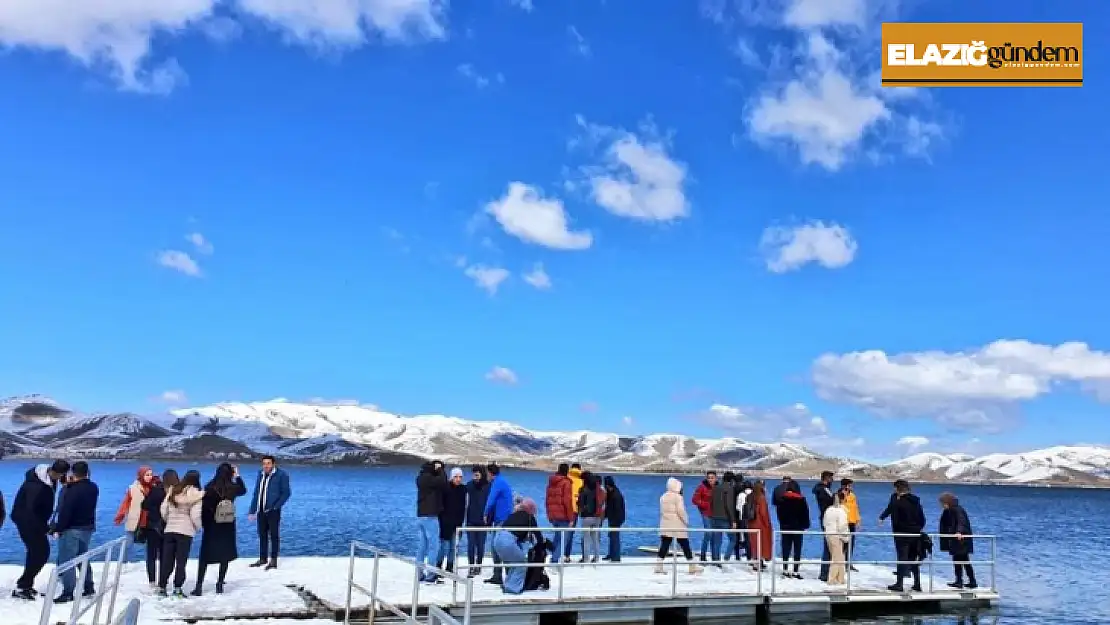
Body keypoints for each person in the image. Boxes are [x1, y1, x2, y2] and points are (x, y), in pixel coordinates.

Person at [10, 460, 69, 600]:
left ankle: (25, 585)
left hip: (35, 520)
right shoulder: (35, 486)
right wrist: (46, 528)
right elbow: (30, 511)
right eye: (61, 476)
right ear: (55, 472)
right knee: (40, 552)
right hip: (26, 520)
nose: (61, 479)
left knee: (38, 552)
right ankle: (22, 586)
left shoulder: (49, 478)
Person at [194, 463, 248, 596]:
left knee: (205, 556)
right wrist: (238, 476)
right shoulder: (233, 488)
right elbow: (243, 490)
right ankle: (219, 584)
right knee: (224, 554)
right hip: (227, 524)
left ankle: (199, 586)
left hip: (212, 525)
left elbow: (204, 509)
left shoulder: (209, 487)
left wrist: (203, 524)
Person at [53, 461, 99, 603]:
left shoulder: (72, 490)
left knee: (67, 561)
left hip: (72, 529)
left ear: (73, 473)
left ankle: (68, 592)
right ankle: (88, 586)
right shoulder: (93, 488)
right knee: (82, 558)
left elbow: (66, 511)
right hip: (87, 528)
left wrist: (58, 528)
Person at [158, 469, 204, 598]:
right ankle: (177, 589)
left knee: (167, 560)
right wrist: (197, 527)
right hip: (185, 532)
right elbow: (195, 515)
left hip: (170, 530)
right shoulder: (196, 495)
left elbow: (163, 509)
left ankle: (162, 587)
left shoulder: (173, 491)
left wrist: (169, 521)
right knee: (181, 562)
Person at [247, 455, 291, 571]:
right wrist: (252, 511)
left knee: (274, 535)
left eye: (268, 463)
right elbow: (256, 493)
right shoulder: (260, 474)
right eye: (264, 463)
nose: (266, 466)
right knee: (262, 534)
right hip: (261, 510)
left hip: (273, 511)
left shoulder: (281, 475)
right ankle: (262, 558)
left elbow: (286, 493)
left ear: (273, 464)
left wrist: (276, 507)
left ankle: (273, 560)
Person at [492, 497, 544, 595]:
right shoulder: (529, 517)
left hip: (497, 539)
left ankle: (508, 584)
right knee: (521, 563)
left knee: (513, 563)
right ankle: (513, 588)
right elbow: (538, 535)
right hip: (508, 541)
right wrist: (541, 546)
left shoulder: (513, 515)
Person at [654, 477, 702, 575]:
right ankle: (692, 566)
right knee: (685, 545)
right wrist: (686, 520)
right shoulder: (678, 497)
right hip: (677, 524)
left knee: (665, 544)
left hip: (665, 524)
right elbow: (681, 511)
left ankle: (659, 565)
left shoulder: (663, 496)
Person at [887, 480, 926, 592]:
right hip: (915, 533)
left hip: (902, 534)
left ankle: (899, 584)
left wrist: (898, 529)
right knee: (913, 558)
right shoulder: (916, 501)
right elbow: (922, 519)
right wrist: (918, 529)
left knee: (902, 558)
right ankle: (917, 584)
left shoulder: (899, 503)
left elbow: (897, 519)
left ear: (898, 489)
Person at [113, 466, 155, 558]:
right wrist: (120, 516)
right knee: (128, 543)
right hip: (135, 519)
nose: (150, 477)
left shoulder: (155, 487)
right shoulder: (132, 488)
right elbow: (125, 503)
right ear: (141, 475)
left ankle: (150, 562)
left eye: (151, 474)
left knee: (151, 545)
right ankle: (123, 562)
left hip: (150, 520)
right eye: (147, 475)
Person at [414, 461, 446, 583]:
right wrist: (440, 470)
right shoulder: (431, 478)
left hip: (421, 515)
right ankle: (431, 574)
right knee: (434, 545)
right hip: (430, 516)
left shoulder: (420, 478)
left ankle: (419, 573)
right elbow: (442, 481)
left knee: (422, 546)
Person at [938, 493, 977, 589]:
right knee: (961, 560)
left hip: (961, 540)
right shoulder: (949, 510)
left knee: (961, 560)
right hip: (956, 540)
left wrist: (959, 531)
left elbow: (961, 521)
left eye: (943, 503)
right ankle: (966, 580)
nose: (942, 505)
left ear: (947, 502)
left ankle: (964, 581)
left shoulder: (957, 509)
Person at [483, 463, 513, 585]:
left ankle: (502, 574)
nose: (486, 476)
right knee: (497, 546)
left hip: (502, 520)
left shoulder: (498, 483)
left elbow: (491, 499)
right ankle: (499, 574)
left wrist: (485, 513)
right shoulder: (502, 481)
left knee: (497, 546)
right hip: (502, 518)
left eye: (487, 473)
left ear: (490, 473)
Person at [140, 470, 170, 588]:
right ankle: (163, 580)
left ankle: (152, 581)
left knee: (151, 555)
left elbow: (144, 505)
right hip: (166, 526)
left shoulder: (154, 491)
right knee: (164, 555)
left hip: (152, 526)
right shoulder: (170, 492)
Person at [775, 480, 810, 579]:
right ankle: (795, 570)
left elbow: (779, 514)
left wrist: (782, 523)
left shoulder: (781, 499)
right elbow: (805, 514)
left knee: (786, 548)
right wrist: (805, 525)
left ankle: (785, 569)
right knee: (797, 549)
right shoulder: (801, 500)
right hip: (798, 528)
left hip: (785, 528)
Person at [436, 468, 468, 577]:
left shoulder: (463, 489)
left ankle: (449, 567)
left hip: (458, 522)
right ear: (452, 477)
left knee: (454, 547)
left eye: (460, 477)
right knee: (444, 546)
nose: (458, 479)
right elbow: (440, 505)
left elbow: (465, 506)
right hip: (445, 522)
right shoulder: (445, 488)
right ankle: (438, 566)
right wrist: (441, 520)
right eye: (456, 477)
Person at [544, 464, 574, 566]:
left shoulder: (551, 483)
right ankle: (554, 560)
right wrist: (571, 518)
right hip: (563, 515)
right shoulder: (566, 483)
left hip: (553, 516)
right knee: (564, 539)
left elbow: (547, 500)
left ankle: (553, 556)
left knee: (557, 537)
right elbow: (567, 501)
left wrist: (549, 515)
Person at [464, 465, 490, 578]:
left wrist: (489, 520)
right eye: (474, 474)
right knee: (470, 545)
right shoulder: (469, 485)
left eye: (477, 474)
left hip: (483, 521)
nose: (475, 476)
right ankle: (471, 566)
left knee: (480, 545)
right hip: (471, 520)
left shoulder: (488, 486)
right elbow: (464, 502)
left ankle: (478, 565)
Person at [707, 470, 736, 567]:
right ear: (731, 480)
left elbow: (711, 503)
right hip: (725, 518)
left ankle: (716, 561)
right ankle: (727, 557)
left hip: (714, 517)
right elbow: (729, 505)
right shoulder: (729, 488)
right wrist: (733, 520)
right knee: (733, 539)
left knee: (717, 541)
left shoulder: (715, 488)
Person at [823, 490, 851, 586]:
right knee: (837, 558)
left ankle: (840, 578)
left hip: (828, 534)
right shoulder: (841, 511)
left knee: (840, 557)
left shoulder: (828, 510)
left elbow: (824, 523)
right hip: (837, 536)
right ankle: (832, 579)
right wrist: (846, 537)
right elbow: (842, 526)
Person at [812, 471, 835, 582]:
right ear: (826, 478)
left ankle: (826, 571)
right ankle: (824, 573)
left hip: (826, 518)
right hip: (827, 519)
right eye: (831, 478)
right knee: (828, 546)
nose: (833, 480)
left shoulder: (824, 489)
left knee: (829, 546)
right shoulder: (823, 489)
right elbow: (831, 501)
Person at [577, 472, 605, 563]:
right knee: (595, 539)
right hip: (597, 517)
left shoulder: (583, 490)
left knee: (586, 539)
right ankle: (596, 558)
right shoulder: (598, 489)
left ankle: (586, 558)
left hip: (587, 517)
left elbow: (580, 503)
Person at [747, 480, 773, 571]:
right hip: (760, 523)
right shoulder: (761, 498)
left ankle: (756, 562)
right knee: (761, 544)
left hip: (751, 522)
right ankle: (758, 564)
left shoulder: (750, 496)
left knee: (754, 544)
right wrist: (768, 524)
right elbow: (763, 513)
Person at [690, 471, 715, 562]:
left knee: (715, 535)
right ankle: (703, 555)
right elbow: (694, 500)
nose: (710, 479)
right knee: (708, 534)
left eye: (712, 478)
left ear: (715, 478)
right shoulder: (702, 487)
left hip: (716, 515)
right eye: (709, 478)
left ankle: (714, 557)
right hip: (706, 514)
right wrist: (705, 505)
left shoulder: (717, 486)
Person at [563, 464, 584, 563]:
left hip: (564, 508)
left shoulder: (566, 478)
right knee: (570, 533)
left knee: (561, 532)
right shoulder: (582, 481)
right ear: (579, 469)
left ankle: (557, 554)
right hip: (575, 510)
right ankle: (567, 556)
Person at [602, 476, 625, 562]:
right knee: (611, 536)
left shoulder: (616, 495)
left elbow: (617, 509)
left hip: (616, 519)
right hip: (612, 518)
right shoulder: (611, 493)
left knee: (615, 537)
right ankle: (611, 554)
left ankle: (616, 557)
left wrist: (615, 520)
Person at [840, 478, 861, 571]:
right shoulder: (839, 494)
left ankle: (849, 563)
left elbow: (855, 508)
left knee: (851, 543)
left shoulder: (853, 496)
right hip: (843, 522)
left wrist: (858, 520)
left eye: (850, 485)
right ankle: (841, 562)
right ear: (843, 486)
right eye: (848, 485)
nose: (849, 487)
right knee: (843, 543)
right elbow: (838, 505)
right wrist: (843, 496)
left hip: (852, 522)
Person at [734, 479, 754, 561]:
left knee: (742, 538)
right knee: (751, 539)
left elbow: (737, 508)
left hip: (742, 519)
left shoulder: (741, 495)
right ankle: (751, 556)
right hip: (752, 519)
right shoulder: (754, 494)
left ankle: (739, 556)